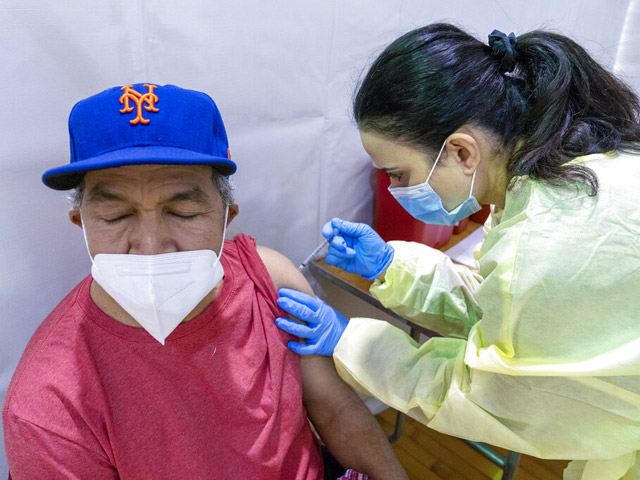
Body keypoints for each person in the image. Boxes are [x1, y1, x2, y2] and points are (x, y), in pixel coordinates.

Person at [275, 24, 640, 480]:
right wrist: (392, 266)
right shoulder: (552, 181)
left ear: (462, 152)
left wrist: (353, 341)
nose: (396, 190)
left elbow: (491, 396)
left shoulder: (545, 239)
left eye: (399, 174)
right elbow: (497, 306)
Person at [2, 83, 408, 480]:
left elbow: (334, 409)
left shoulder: (271, 284)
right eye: (116, 217)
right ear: (82, 223)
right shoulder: (47, 406)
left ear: (227, 215)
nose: (151, 247)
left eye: (183, 213)